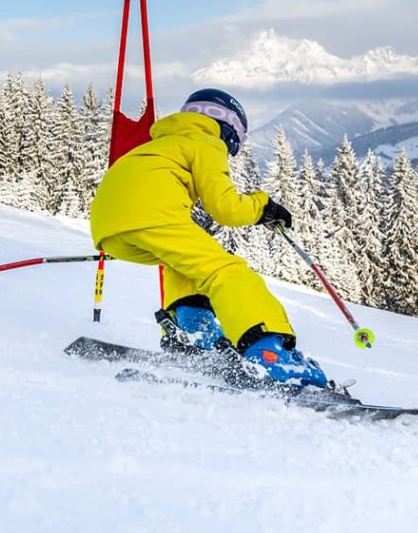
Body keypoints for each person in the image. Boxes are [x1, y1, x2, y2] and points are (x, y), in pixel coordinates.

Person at [89, 88, 328, 387]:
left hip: (108, 229)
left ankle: (194, 336)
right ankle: (271, 356)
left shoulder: (160, 144)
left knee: (185, 264)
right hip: (151, 218)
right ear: (229, 129)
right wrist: (262, 207)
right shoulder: (206, 142)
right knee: (228, 272)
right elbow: (225, 208)